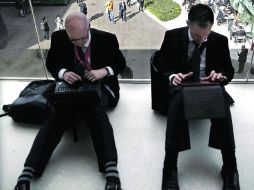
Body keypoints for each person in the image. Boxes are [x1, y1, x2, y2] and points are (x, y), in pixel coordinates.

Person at [14, 12, 126, 190]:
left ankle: (111, 171)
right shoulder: (59, 37)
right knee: (57, 114)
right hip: (71, 86)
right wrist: (63, 73)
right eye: (73, 40)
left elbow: (120, 63)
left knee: (95, 110)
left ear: (88, 26)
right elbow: (51, 63)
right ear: (66, 32)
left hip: (100, 85)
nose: (78, 43)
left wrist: (103, 71)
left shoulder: (107, 39)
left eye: (82, 39)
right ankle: (28, 171)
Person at [153, 4, 240, 190]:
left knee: (223, 106)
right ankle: (170, 166)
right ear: (188, 24)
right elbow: (160, 62)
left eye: (205, 35)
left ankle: (230, 167)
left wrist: (220, 76)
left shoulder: (220, 40)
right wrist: (172, 76)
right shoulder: (172, 36)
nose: (202, 40)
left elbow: (229, 70)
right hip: (182, 85)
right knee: (177, 104)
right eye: (197, 35)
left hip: (208, 84)